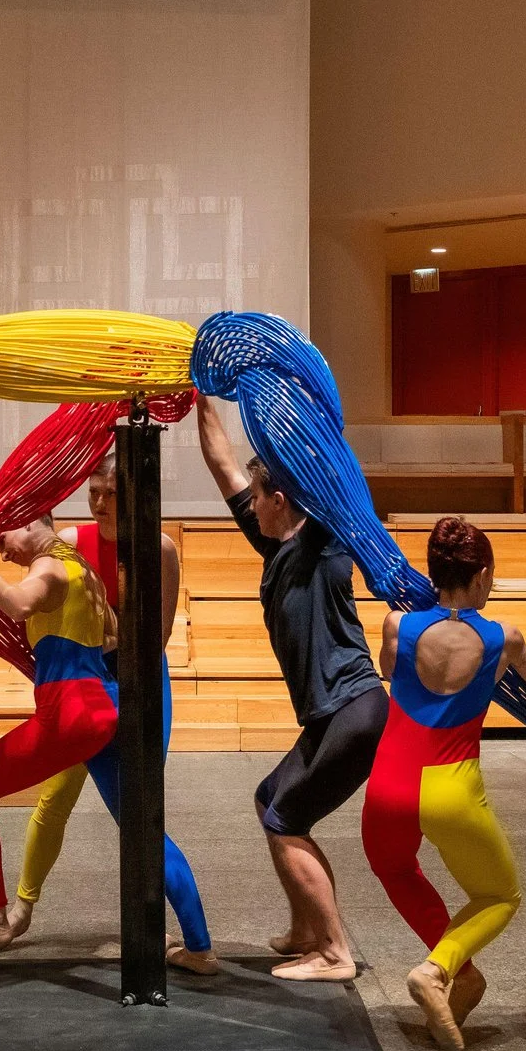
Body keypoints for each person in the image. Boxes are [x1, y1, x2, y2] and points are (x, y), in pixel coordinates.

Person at [0, 516, 217, 970]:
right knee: (141, 826)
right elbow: (112, 638)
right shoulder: (83, 570)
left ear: (32, 521)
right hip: (104, 709)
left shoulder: (48, 568)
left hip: (68, 715)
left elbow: (16, 605)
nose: (2, 550)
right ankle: (200, 948)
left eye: (4, 537)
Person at [194, 394, 389, 981]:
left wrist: (295, 411)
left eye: (257, 498)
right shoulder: (273, 543)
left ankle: (334, 952)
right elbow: (223, 462)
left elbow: (330, 468)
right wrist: (201, 393)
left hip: (354, 709)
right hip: (331, 714)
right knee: (269, 798)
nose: (248, 506)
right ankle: (306, 928)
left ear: (280, 500)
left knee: (285, 818)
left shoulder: (323, 541)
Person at [9, 455, 213, 966]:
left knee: (140, 815)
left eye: (112, 493)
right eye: (93, 492)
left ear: (134, 494)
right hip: (89, 687)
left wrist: (105, 647)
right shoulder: (71, 542)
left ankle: (182, 941)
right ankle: (20, 909)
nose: (99, 503)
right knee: (61, 798)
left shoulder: (159, 548)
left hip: (138, 688)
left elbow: (158, 635)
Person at [363, 517, 526, 1051]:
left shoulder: (398, 624)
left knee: (397, 870)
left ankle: (463, 977)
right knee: (500, 894)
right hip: (452, 788)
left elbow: (388, 669)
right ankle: (438, 968)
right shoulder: (503, 637)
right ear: (482, 575)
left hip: (388, 783)